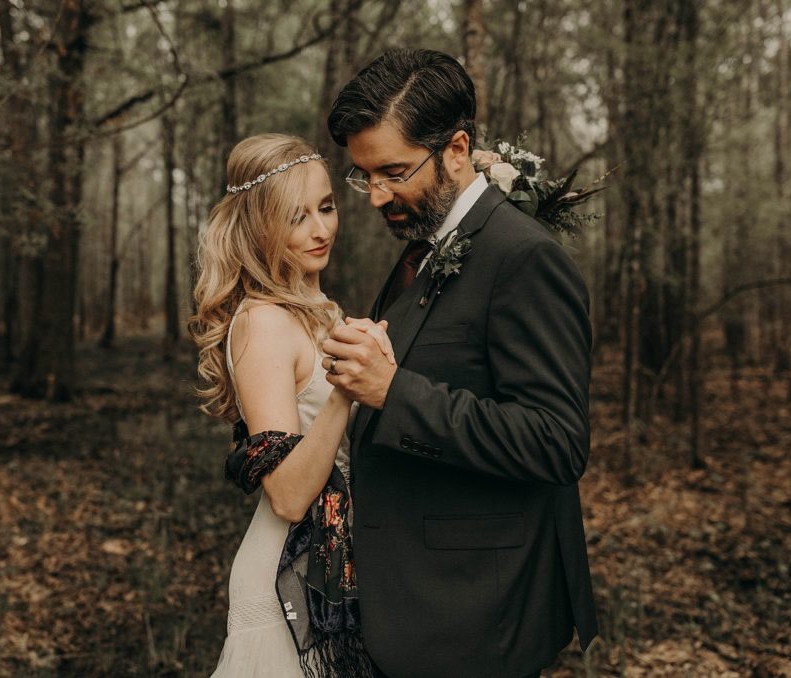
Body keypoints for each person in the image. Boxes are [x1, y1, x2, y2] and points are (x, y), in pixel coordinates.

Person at [321, 49, 599, 677]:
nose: (375, 196)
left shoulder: (523, 259)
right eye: (364, 176)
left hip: (474, 613)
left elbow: (557, 442)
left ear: (456, 149)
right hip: (416, 603)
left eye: (392, 172)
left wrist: (395, 392)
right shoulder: (424, 246)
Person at [189, 134, 386, 677]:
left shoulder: (319, 309)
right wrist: (347, 389)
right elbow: (289, 495)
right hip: (287, 580)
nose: (321, 230)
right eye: (297, 217)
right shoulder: (264, 322)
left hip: (332, 568)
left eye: (325, 207)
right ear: (259, 227)